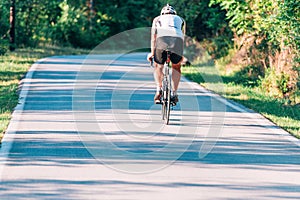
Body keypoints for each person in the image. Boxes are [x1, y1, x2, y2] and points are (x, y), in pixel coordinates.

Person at [147, 4, 186, 104]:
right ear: (174, 13)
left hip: (162, 40)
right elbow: (182, 37)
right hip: (177, 41)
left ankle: (159, 89)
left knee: (158, 65)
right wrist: (182, 55)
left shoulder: (157, 19)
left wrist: (152, 53)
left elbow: (153, 38)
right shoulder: (181, 19)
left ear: (162, 13)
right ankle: (174, 93)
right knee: (176, 66)